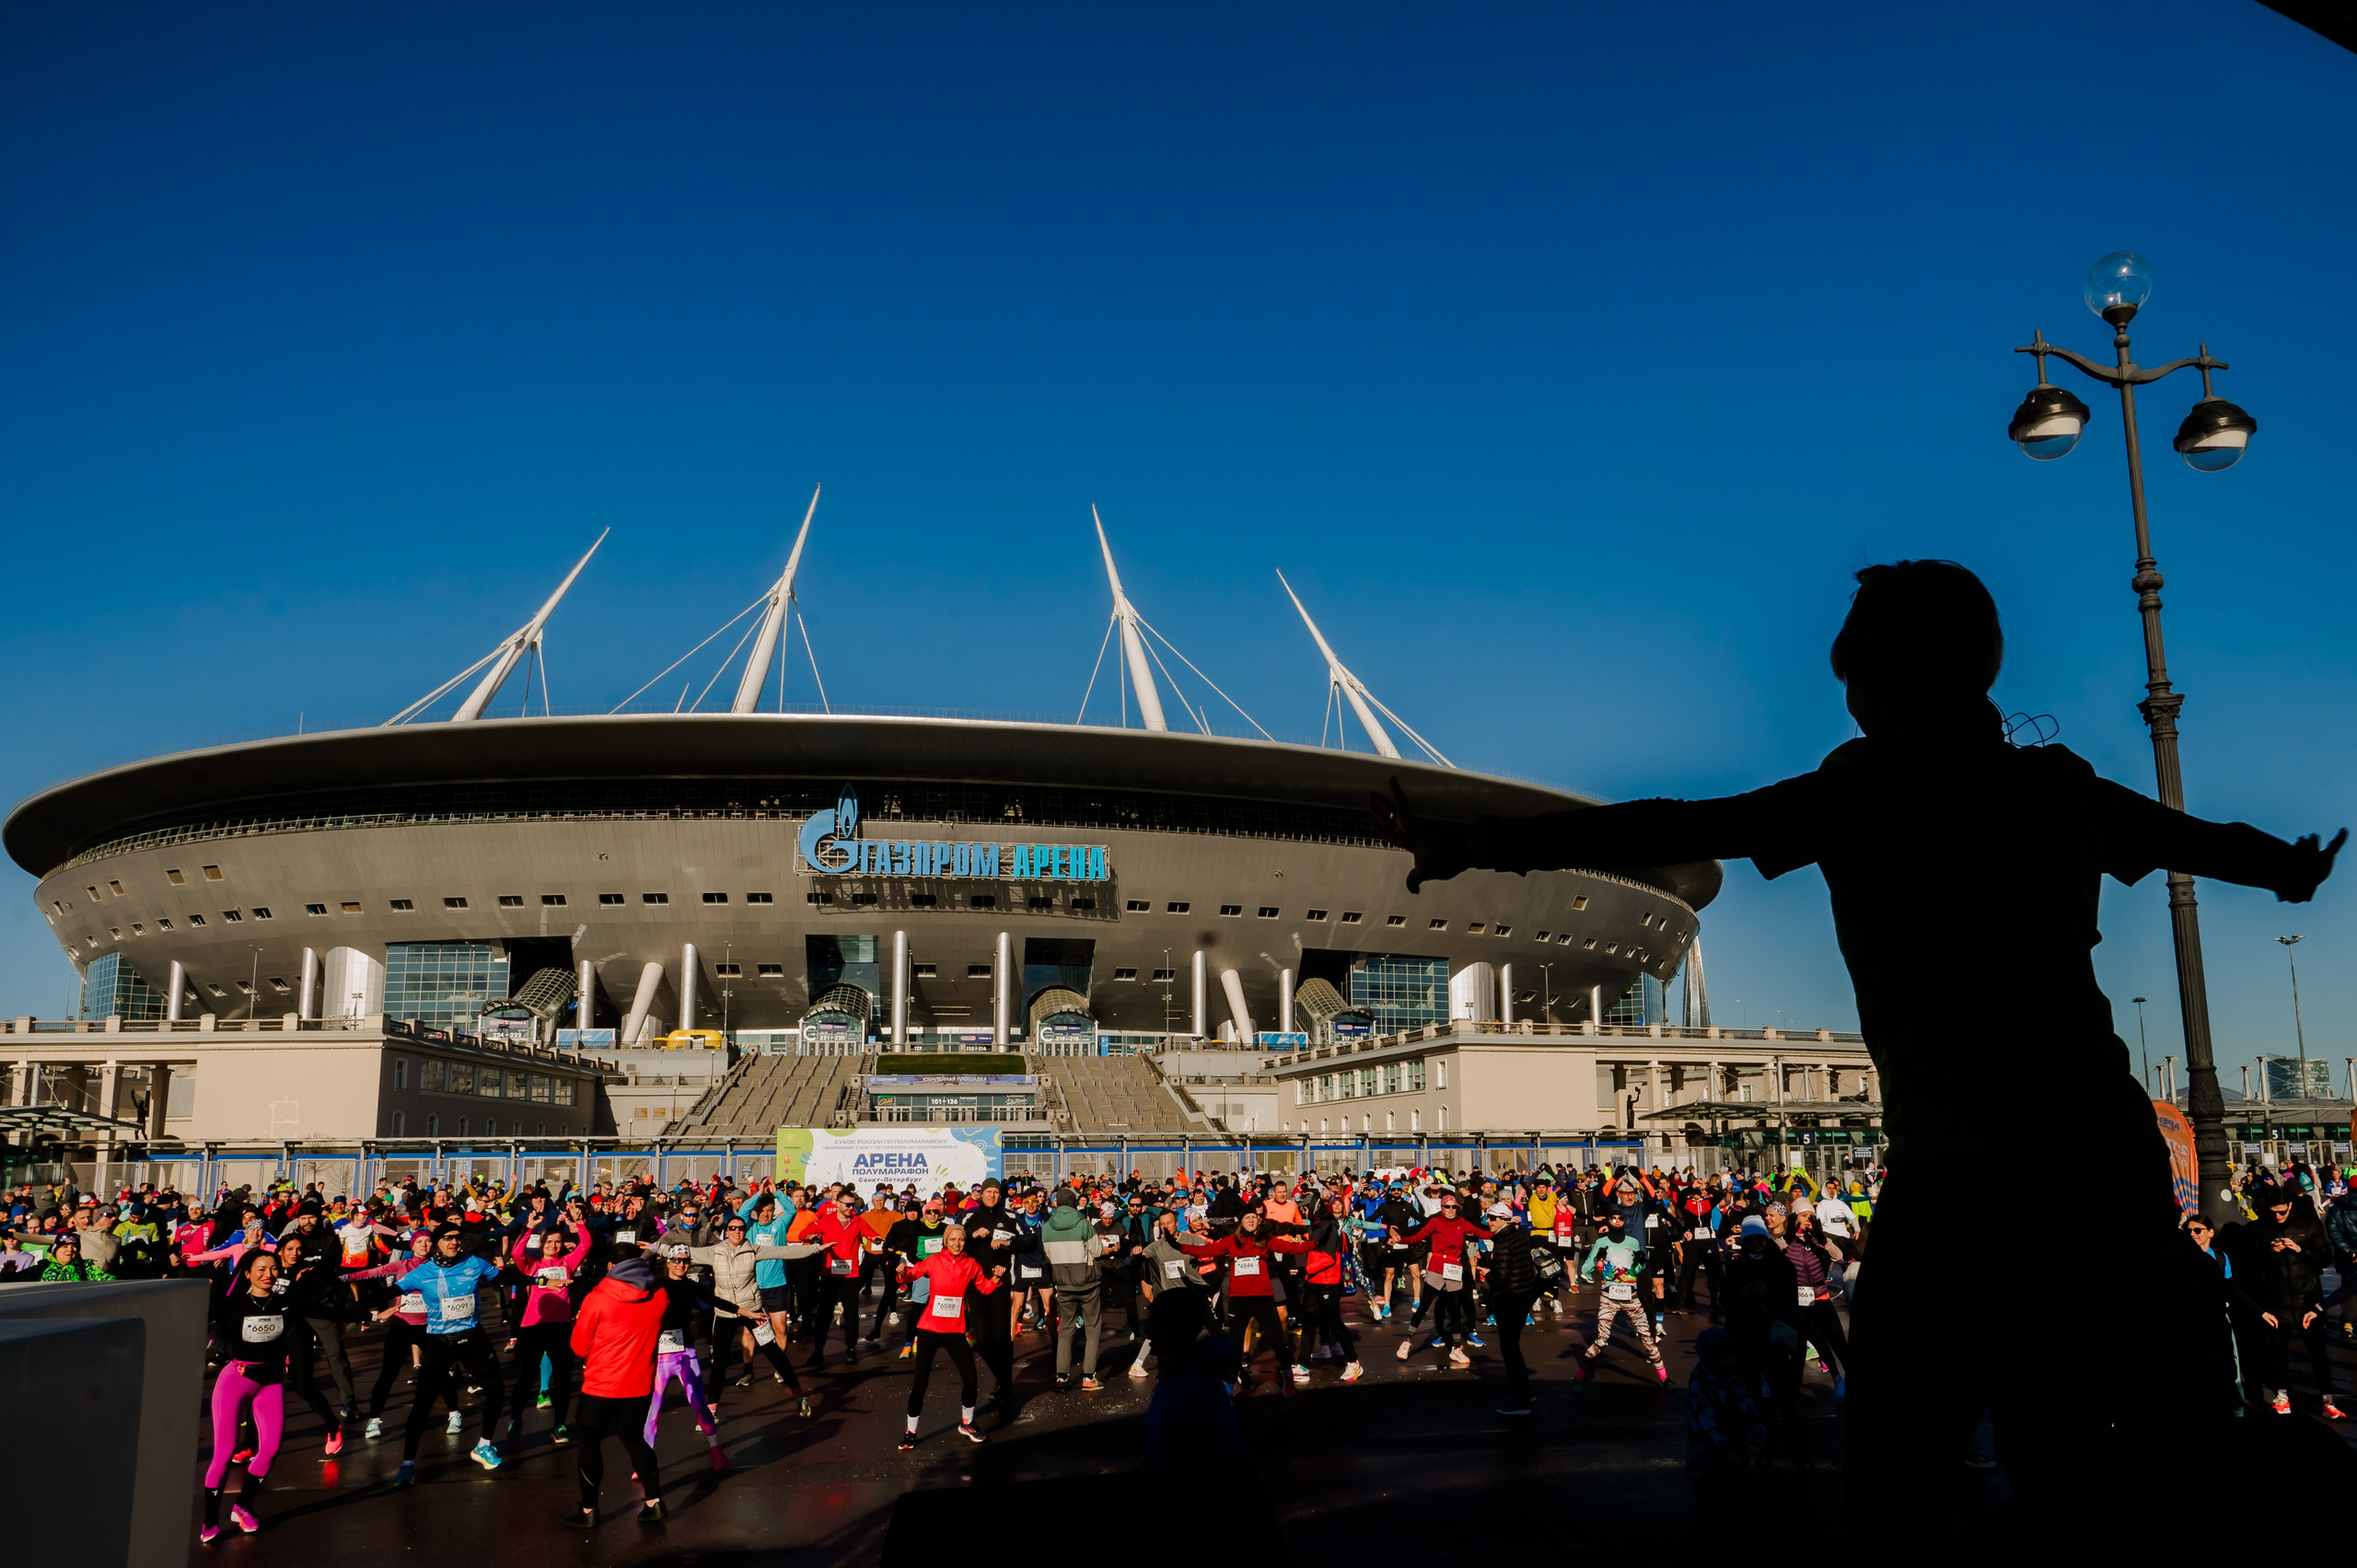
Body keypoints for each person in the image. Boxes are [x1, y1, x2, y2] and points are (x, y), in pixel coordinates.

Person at [1373, 557, 2345, 1540]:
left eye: (1851, 681)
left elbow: (1675, 823)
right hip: (2097, 1157)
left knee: (1897, 1458)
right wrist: (2287, 869)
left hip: (1959, 1163)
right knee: (2067, 1442)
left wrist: (1479, 840)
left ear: (1874, 681)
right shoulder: (2050, 785)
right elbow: (2196, 837)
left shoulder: (1859, 788)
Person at [391, 1224, 507, 1485]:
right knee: (423, 1404)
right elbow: (394, 1290)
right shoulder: (424, 1272)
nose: (455, 1243)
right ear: (436, 1243)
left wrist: (540, 1280)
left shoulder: (474, 1263)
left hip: (474, 1338)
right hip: (441, 1343)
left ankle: (484, 1446)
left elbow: (503, 1278)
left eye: (458, 1238)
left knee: (497, 1390)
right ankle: (407, 1464)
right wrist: (366, 1307)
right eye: (449, 1239)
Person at [567, 1252, 668, 1527]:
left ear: (611, 1266)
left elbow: (578, 1346)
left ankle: (589, 1511)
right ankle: (654, 1502)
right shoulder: (659, 1296)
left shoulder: (597, 1298)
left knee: (589, 1442)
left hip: (602, 1384)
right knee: (634, 1439)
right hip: (640, 1383)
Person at [202, 1249, 295, 1541]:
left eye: (273, 1268)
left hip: (271, 1382)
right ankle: (209, 1521)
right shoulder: (232, 1304)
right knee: (224, 1453)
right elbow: (191, 1314)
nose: (268, 1273)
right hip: (236, 1380)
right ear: (247, 1273)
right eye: (261, 1268)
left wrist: (368, 1313)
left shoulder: (284, 1303)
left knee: (269, 1449)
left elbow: (327, 1311)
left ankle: (242, 1506)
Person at [895, 1221, 1004, 1449]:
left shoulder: (971, 1264)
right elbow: (912, 1275)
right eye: (953, 1239)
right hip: (929, 1329)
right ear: (946, 1242)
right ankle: (910, 1431)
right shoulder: (934, 1261)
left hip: (955, 1330)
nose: (957, 1243)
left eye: (961, 1239)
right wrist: (903, 1273)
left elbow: (984, 1287)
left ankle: (967, 1423)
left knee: (971, 1379)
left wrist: (995, 1278)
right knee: (920, 1383)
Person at [1685, 1326, 1770, 1539]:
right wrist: (1722, 1445)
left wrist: (1756, 1431)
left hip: (1736, 1462)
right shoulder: (1700, 1385)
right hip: (1706, 1464)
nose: (1732, 1361)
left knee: (1739, 1513)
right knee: (1712, 1516)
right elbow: (1703, 1421)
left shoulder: (1735, 1381)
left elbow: (1748, 1408)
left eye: (1734, 1356)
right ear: (1712, 1359)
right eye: (1726, 1357)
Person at [1040, 1189, 1109, 1390]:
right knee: (1093, 1328)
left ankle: (1061, 1376)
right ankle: (1089, 1377)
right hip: (1088, 1283)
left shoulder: (1047, 1227)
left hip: (1063, 1283)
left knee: (1066, 1330)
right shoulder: (1083, 1223)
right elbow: (1096, 1251)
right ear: (1073, 1203)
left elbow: (1047, 1256)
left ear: (1056, 1204)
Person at [1479, 1202, 1540, 1415]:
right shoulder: (1519, 1234)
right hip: (1524, 1296)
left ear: (1504, 1220)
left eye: (1493, 1218)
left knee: (1510, 1351)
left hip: (1510, 1300)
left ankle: (1521, 1402)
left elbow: (1501, 1279)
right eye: (1488, 1217)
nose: (1489, 1221)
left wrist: (1486, 1273)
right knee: (1514, 1348)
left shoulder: (1503, 1243)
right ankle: (1526, 1392)